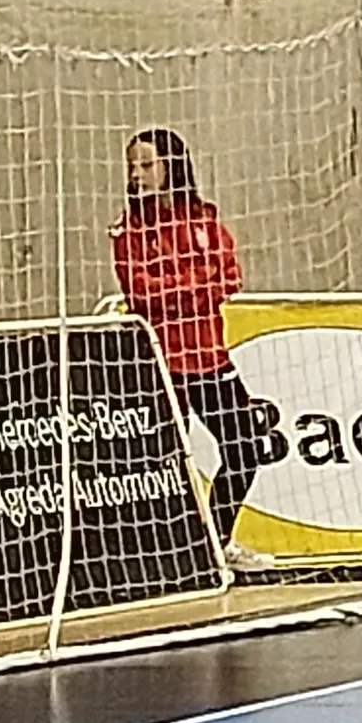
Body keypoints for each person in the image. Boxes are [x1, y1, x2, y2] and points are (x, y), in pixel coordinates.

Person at [112, 130, 268, 556]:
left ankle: (213, 544)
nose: (137, 175)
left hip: (210, 357)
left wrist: (182, 287)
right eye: (131, 167)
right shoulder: (129, 229)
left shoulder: (203, 218)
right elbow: (142, 293)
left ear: (171, 166)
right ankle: (162, 555)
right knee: (157, 464)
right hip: (162, 364)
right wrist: (198, 283)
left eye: (146, 165)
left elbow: (230, 276)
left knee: (246, 447)